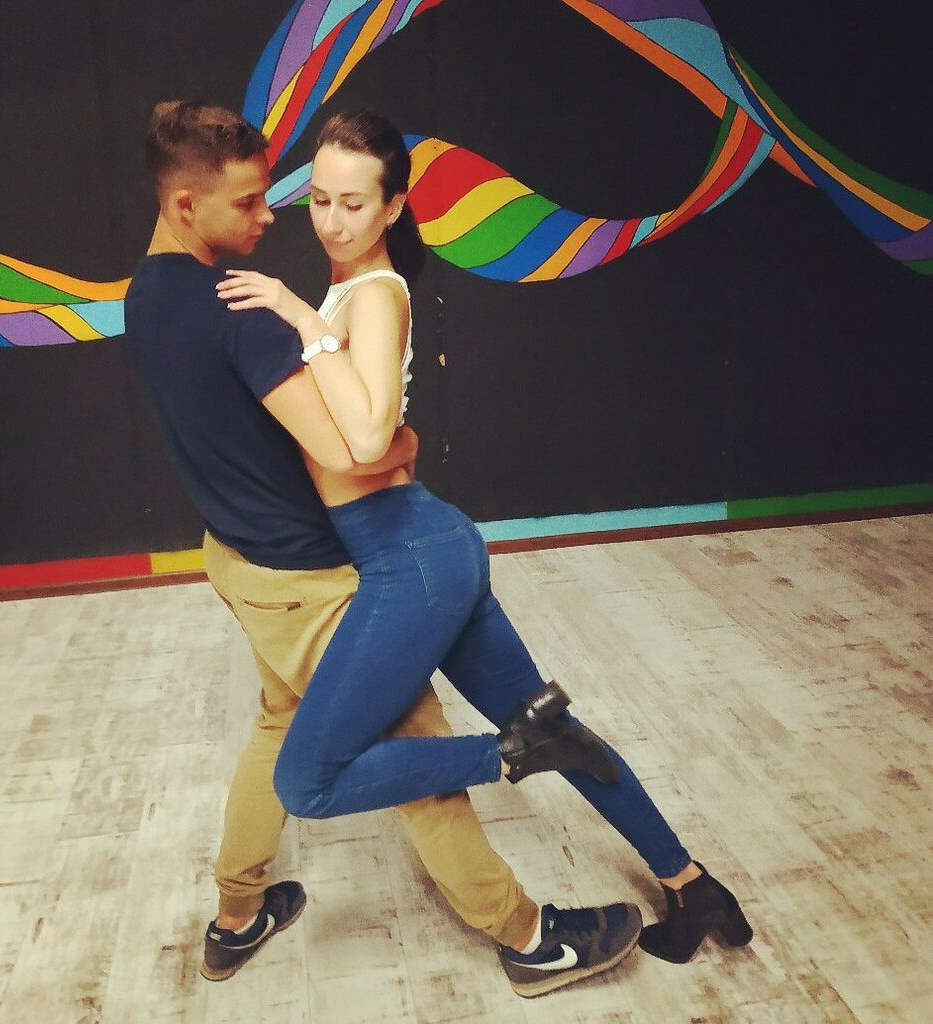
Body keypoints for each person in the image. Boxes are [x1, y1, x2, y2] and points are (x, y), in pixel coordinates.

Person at [124, 99, 644, 999]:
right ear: (184, 206)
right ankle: (529, 939)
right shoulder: (241, 315)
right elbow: (351, 450)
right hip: (304, 575)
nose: (270, 216)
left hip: (235, 561)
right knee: (417, 750)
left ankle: (238, 914)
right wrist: (404, 440)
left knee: (281, 723)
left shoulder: (144, 295)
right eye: (247, 202)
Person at [218, 108, 754, 970]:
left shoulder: (375, 294)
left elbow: (363, 437)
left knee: (312, 777)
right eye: (319, 200)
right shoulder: (350, 293)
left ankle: (517, 759)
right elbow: (379, 439)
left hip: (409, 563)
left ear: (393, 207)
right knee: (556, 727)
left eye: (354, 204)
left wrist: (295, 317)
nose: (332, 221)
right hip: (430, 544)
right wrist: (391, 437)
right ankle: (692, 885)